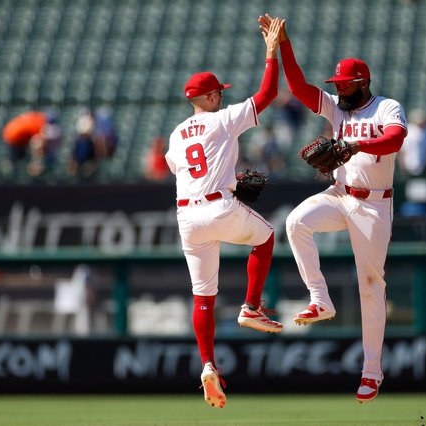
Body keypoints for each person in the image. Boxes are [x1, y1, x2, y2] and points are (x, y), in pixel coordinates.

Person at [259, 14, 408, 403]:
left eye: (344, 84)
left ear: (363, 82)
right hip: (340, 194)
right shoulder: (337, 108)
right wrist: (284, 45)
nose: (338, 89)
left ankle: (372, 372)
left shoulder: (386, 107)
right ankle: (319, 298)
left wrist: (359, 146)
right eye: (336, 85)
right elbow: (298, 87)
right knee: (295, 222)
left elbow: (394, 140)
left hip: (375, 206)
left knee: (371, 287)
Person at [165, 18, 284, 409]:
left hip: (187, 217)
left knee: (203, 297)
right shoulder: (223, 119)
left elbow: (179, 169)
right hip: (218, 206)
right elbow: (268, 94)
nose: (221, 96)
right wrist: (271, 51)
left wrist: (228, 179)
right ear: (213, 96)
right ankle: (251, 306)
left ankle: (207, 365)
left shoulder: (176, 134)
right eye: (220, 92)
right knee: (266, 236)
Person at [398, 109, 426, 177]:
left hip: (423, 167)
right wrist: (402, 166)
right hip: (409, 167)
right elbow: (402, 150)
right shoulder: (408, 130)